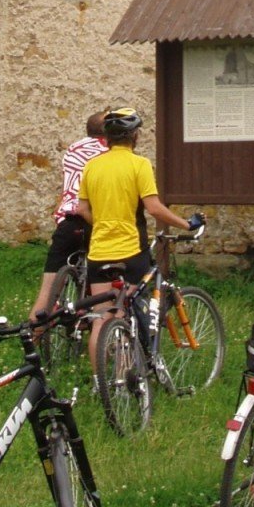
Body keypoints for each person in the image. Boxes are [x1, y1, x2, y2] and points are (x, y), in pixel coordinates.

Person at [76, 106, 199, 367]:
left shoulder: (92, 166)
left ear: (107, 138)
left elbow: (82, 209)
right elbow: (153, 207)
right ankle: (124, 379)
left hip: (98, 252)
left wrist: (102, 225)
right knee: (124, 313)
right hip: (131, 250)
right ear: (134, 137)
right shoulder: (139, 164)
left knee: (101, 318)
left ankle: (101, 384)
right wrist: (185, 224)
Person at [28, 112, 107, 323]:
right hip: (94, 221)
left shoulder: (73, 149)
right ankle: (104, 330)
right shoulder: (110, 152)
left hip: (67, 223)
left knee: (46, 294)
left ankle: (32, 344)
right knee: (109, 283)